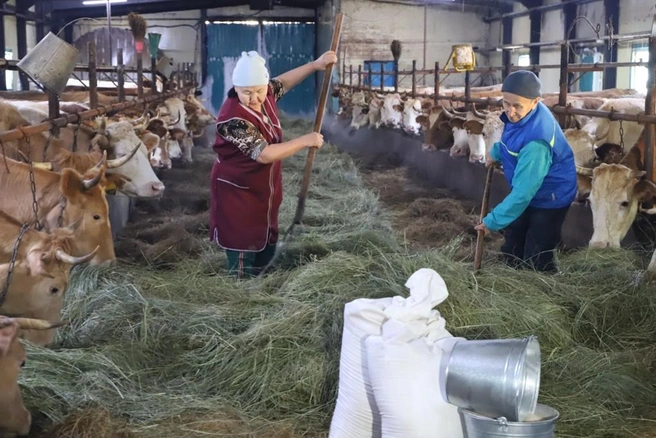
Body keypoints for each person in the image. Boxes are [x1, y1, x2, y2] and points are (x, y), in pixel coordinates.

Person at [210, 49, 337, 278]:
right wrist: (304, 141)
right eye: (246, 93)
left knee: (266, 231)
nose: (255, 98)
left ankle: (263, 276)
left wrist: (314, 65)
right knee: (241, 239)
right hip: (237, 190)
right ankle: (239, 288)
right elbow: (264, 154)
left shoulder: (266, 94)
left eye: (259, 90)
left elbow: (283, 83)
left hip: (263, 186)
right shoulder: (232, 120)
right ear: (235, 89)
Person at [474, 70, 577, 273]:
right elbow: (511, 141)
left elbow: (523, 193)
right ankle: (511, 275)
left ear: (535, 101)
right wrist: (495, 153)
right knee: (513, 238)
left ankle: (541, 288)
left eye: (517, 106)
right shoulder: (523, 116)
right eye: (506, 103)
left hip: (550, 197)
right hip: (530, 189)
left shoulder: (537, 141)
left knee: (537, 250)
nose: (510, 111)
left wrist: (491, 222)